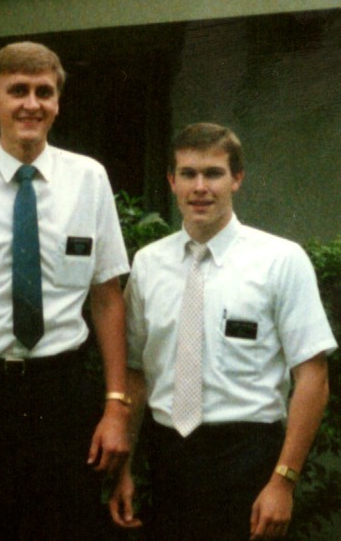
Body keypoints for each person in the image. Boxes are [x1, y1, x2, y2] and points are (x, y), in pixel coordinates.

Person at [0, 41, 131, 539]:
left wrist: (115, 406)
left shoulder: (89, 179)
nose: (32, 103)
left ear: (57, 102)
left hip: (62, 392)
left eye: (44, 92)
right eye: (18, 91)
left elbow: (107, 298)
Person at [110, 122, 337, 540]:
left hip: (248, 458)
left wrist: (283, 481)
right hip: (168, 456)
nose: (200, 187)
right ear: (171, 182)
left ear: (237, 179)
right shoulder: (147, 264)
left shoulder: (281, 260)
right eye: (188, 174)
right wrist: (123, 469)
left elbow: (313, 377)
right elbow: (135, 374)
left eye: (213, 173)